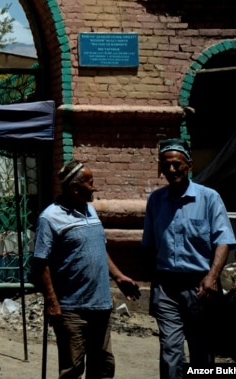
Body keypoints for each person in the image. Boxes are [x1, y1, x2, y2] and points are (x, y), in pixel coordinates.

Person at [34, 160, 140, 379]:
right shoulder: (49, 218)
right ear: (75, 188)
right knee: (72, 369)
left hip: (100, 306)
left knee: (103, 365)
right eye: (90, 183)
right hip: (72, 309)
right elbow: (41, 262)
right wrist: (52, 302)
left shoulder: (90, 210)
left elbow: (99, 249)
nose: (95, 187)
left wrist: (118, 276)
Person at [141, 138, 236, 379]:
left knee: (201, 351)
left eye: (177, 164)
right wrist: (153, 286)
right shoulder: (155, 200)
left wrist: (213, 277)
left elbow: (223, 241)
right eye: (166, 165)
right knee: (170, 351)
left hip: (200, 286)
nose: (171, 170)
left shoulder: (209, 198)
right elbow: (149, 246)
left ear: (189, 165)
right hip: (166, 287)